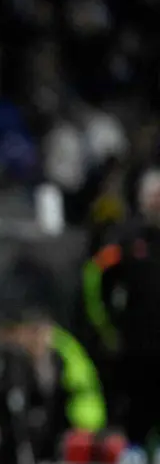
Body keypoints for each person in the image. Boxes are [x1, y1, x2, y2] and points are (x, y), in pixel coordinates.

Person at [84, 168, 160, 446]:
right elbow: (95, 276)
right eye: (154, 196)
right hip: (137, 348)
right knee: (137, 420)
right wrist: (108, 329)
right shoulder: (128, 238)